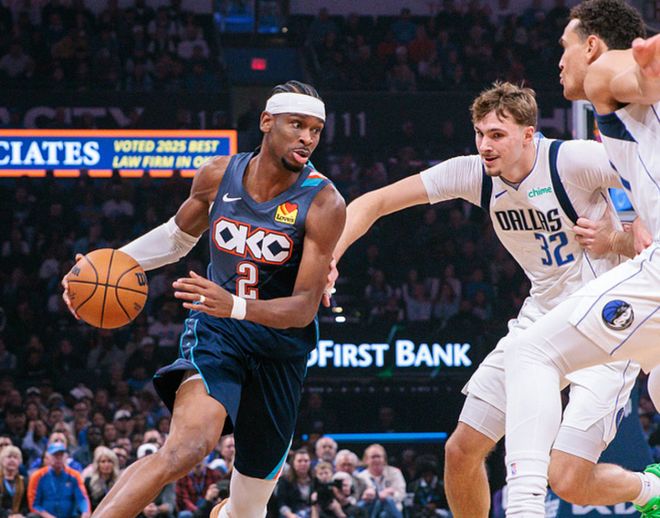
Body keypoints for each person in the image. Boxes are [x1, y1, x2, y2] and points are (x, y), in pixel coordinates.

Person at [326, 80, 648, 518]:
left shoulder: (571, 160)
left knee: (568, 479)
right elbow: (375, 202)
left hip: (606, 321)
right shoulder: (474, 173)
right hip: (543, 315)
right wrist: (331, 257)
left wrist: (623, 234)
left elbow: (649, 171)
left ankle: (649, 489)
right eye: (479, 134)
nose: (485, 146)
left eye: (497, 135)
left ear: (528, 134)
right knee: (461, 450)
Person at [62, 80, 345, 518]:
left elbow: (304, 307)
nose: (307, 138)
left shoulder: (324, 202)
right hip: (219, 336)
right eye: (297, 125)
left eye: (316, 130)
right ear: (266, 122)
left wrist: (234, 304)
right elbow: (176, 238)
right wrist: (108, 266)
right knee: (185, 448)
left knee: (249, 509)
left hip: (279, 352)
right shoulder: (218, 174)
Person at [499, 1, 660, 516]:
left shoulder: (604, 70)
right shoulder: (623, 126)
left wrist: (649, 69)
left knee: (531, 352)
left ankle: (524, 508)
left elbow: (635, 76)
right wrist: (620, 238)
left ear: (591, 45)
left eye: (565, 47)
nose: (559, 60)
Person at [27, 443, 91, 518]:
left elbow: (82, 498)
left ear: (66, 457)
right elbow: (34, 504)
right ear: (48, 457)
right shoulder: (37, 476)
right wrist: (47, 516)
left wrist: (85, 512)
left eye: (61, 455)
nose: (58, 458)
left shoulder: (74, 475)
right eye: (55, 455)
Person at [355, 444, 405, 517]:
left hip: (392, 509)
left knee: (387, 502)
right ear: (366, 460)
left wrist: (390, 495)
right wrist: (366, 496)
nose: (376, 460)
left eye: (378, 456)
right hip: (369, 508)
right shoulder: (360, 477)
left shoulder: (394, 472)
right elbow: (357, 498)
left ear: (384, 459)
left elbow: (401, 494)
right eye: (373, 457)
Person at [84, 447, 120, 511]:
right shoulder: (89, 482)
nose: (106, 465)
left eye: (109, 461)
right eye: (103, 462)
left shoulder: (119, 481)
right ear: (98, 464)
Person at [0, 445, 28, 517]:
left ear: (19, 462)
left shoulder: (25, 481)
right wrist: (8, 516)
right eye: (9, 457)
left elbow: (26, 504)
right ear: (2, 460)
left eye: (15, 457)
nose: (12, 460)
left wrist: (20, 515)